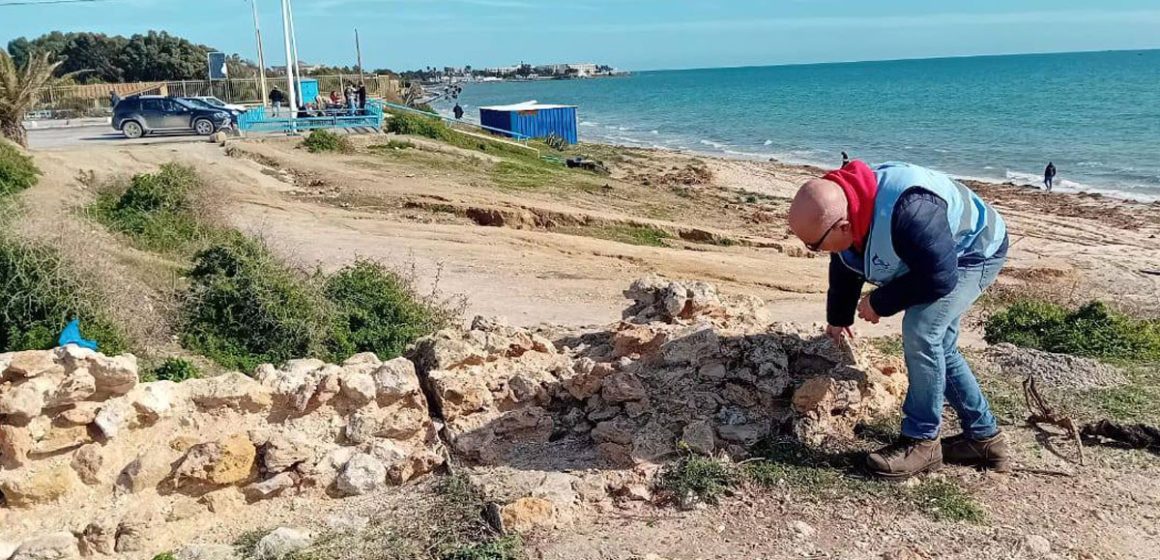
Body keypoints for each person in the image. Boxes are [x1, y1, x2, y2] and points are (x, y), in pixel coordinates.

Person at [787, 160, 1011, 479]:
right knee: (940, 345)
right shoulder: (849, 205)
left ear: (843, 226)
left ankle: (921, 442)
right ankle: (984, 439)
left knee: (922, 330)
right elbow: (846, 262)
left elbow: (939, 278)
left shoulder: (910, 211)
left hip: (975, 250)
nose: (813, 251)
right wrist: (839, 316)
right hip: (937, 257)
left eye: (813, 245)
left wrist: (880, 302)